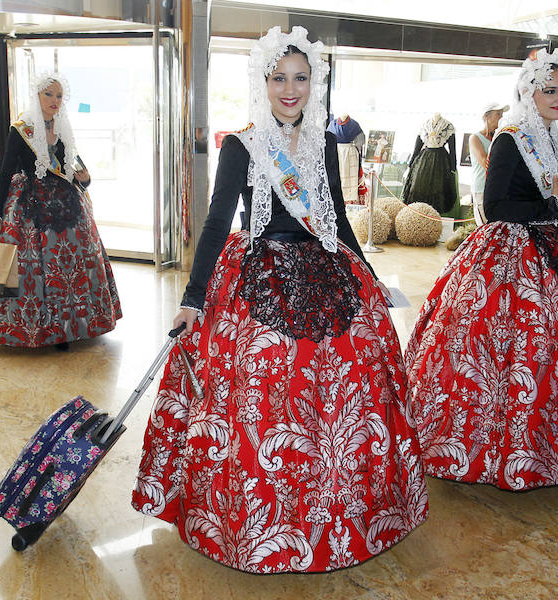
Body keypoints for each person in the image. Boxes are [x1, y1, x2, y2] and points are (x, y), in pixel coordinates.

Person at [132, 26, 428, 573]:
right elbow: (218, 222)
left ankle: (341, 511)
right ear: (262, 81)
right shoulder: (242, 144)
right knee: (261, 388)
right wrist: (195, 298)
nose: (289, 90)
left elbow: (336, 219)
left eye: (300, 78)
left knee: (348, 389)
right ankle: (258, 517)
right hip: (257, 272)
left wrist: (368, 275)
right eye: (278, 78)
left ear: (314, 83)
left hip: (325, 268)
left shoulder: (324, 141)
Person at [403, 48, 558, 491]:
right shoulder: (510, 137)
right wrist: (548, 204)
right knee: (497, 349)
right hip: (510, 256)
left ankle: (554, 449)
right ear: (529, 91)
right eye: (550, 90)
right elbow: (495, 206)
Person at [0, 72, 121, 349]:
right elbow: (5, 172)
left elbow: (75, 164)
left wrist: (84, 177)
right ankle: (22, 328)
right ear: (37, 96)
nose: (54, 100)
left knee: (67, 268)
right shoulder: (21, 128)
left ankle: (65, 329)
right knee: (25, 268)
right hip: (27, 205)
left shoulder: (62, 126)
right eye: (48, 94)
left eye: (58, 96)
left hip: (65, 205)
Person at [403, 113, 457, 214]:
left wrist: (453, 167)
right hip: (424, 160)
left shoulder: (448, 126)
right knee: (418, 187)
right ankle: (418, 214)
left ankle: (434, 217)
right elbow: (416, 148)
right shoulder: (425, 125)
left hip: (441, 162)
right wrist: (410, 164)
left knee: (438, 188)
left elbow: (452, 150)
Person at [469, 102, 508, 225]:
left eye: (502, 114)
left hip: (499, 189)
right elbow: (485, 162)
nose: (501, 118)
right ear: (487, 117)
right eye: (498, 114)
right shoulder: (475, 138)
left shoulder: (499, 137)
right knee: (485, 227)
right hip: (482, 189)